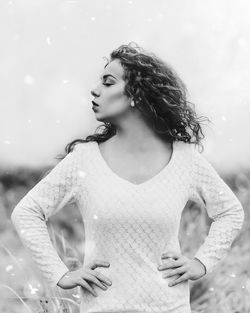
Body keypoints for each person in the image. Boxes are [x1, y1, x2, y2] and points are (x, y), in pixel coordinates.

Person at [11, 42, 245, 313]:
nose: (95, 90)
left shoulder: (186, 160)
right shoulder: (84, 159)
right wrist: (60, 274)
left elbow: (230, 211)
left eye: (108, 83)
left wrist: (201, 263)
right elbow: (26, 212)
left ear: (137, 94)